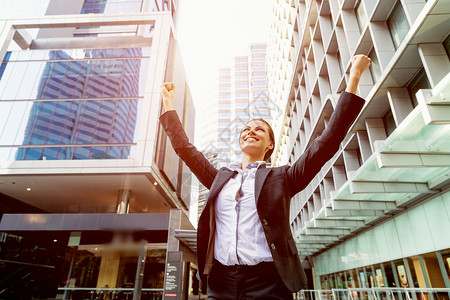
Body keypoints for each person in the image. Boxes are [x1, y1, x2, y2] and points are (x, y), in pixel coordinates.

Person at [160, 55, 371, 299]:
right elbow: (185, 149)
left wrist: (354, 77)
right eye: (246, 129)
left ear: (270, 144)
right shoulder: (220, 178)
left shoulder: (283, 177)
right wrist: (167, 102)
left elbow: (326, 142)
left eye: (259, 128)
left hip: (268, 282)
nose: (251, 131)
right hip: (221, 282)